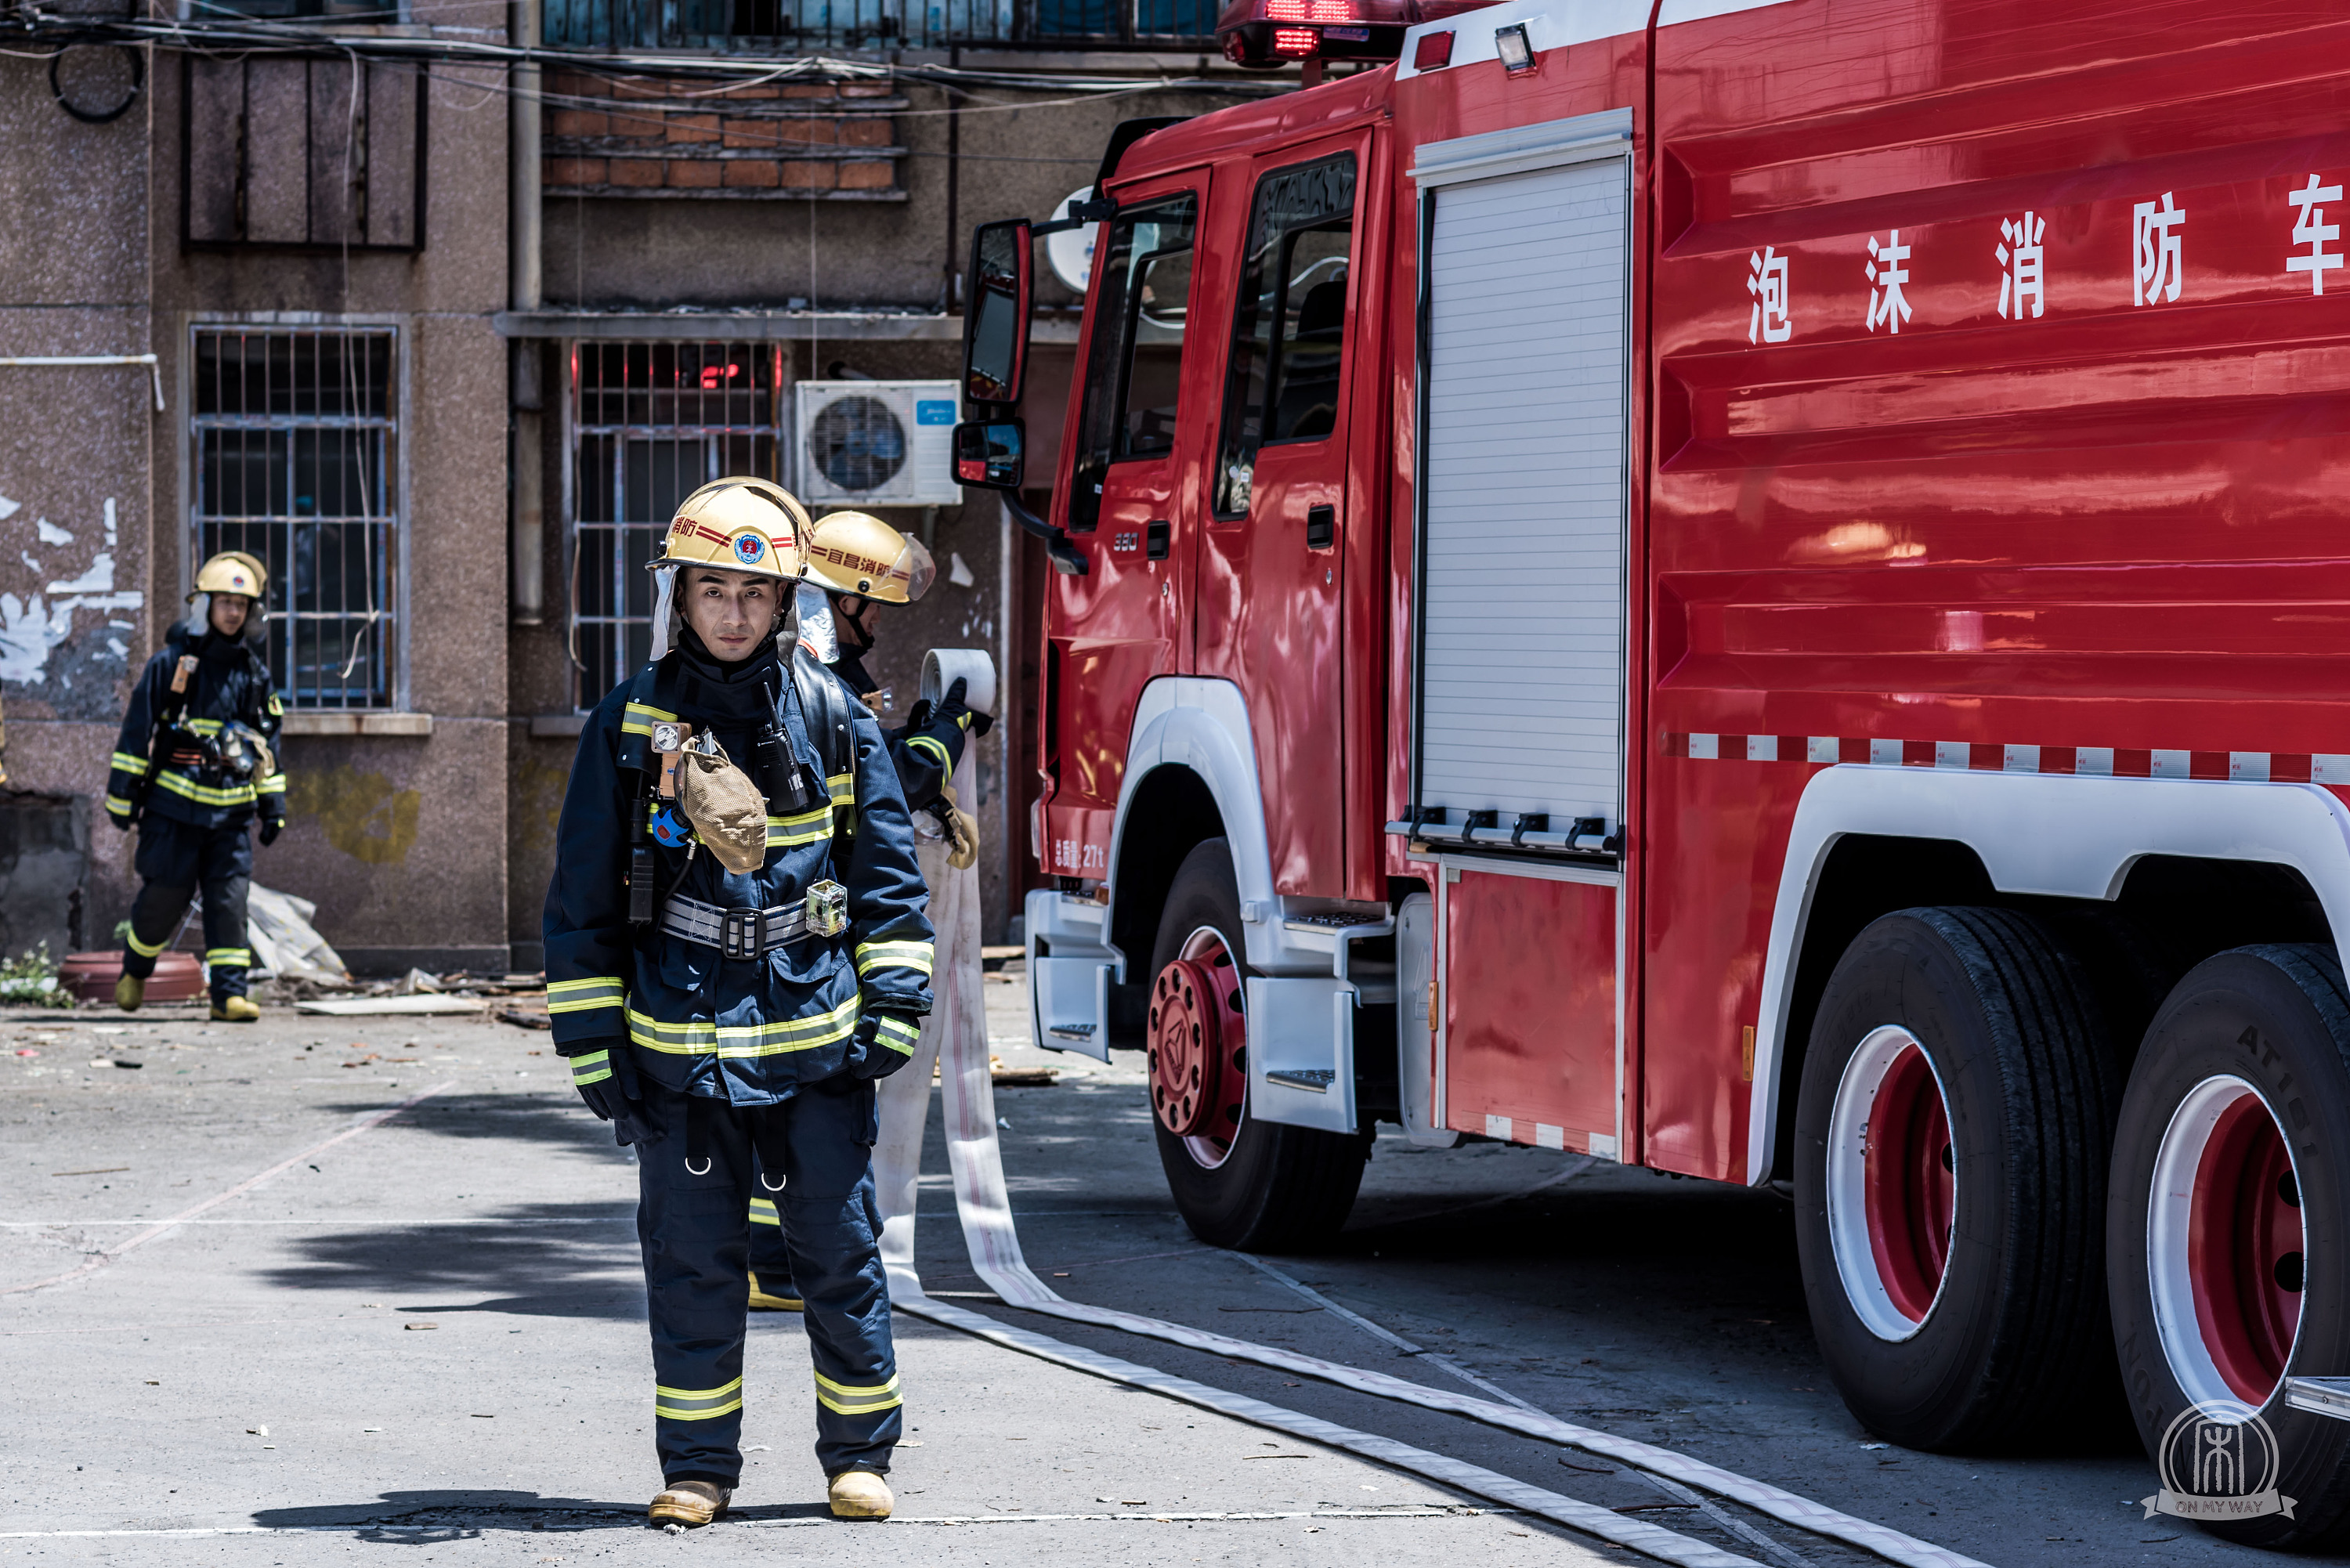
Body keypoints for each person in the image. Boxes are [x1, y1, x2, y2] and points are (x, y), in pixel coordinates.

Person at [543, 478, 934, 1530]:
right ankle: (700, 1468)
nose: (730, 613)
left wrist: (891, 1014)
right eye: (711, 589)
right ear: (680, 596)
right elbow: (579, 899)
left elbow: (889, 881)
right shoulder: (629, 724)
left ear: (786, 602)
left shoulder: (835, 719)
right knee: (692, 1265)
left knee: (840, 1254)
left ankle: (858, 1454)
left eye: (753, 594)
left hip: (815, 1046)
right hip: (679, 1053)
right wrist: (593, 1045)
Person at [745, 511, 989, 1313]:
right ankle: (777, 1267)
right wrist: (945, 735)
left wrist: (913, 728)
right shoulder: (817, 672)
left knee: (786, 1088)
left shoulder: (804, 666)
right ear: (837, 599)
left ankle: (773, 1261)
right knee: (803, 1089)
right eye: (869, 603)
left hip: (791, 909)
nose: (878, 618)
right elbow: (892, 782)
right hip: (807, 918)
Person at [104, 551, 286, 1021]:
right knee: (164, 899)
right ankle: (136, 969)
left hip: (230, 813)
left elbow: (268, 744)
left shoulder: (254, 675)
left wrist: (273, 805)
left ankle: (228, 997)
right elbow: (134, 734)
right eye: (224, 602)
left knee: (230, 903)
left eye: (241, 606)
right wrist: (121, 797)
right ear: (204, 606)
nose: (233, 613)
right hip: (173, 810)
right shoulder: (171, 666)